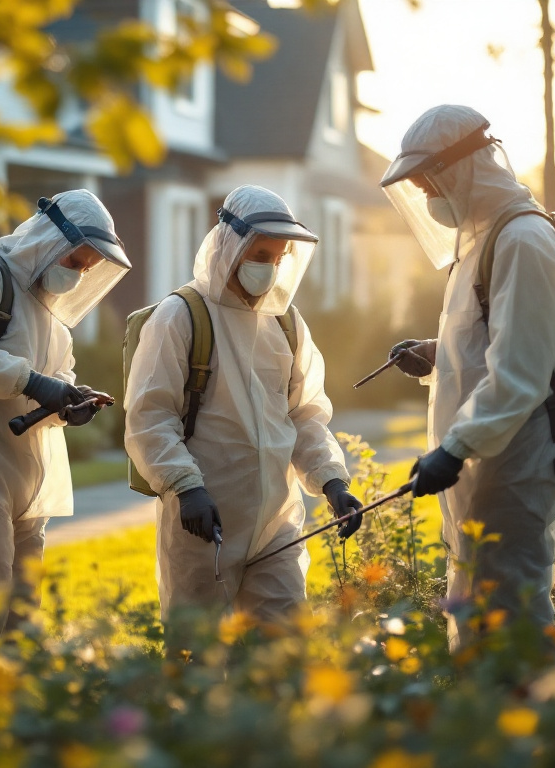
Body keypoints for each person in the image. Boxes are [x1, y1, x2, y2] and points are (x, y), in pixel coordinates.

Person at [125, 185, 360, 654]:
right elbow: (150, 416)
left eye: (278, 256)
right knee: (197, 660)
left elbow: (305, 414)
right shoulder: (181, 316)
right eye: (260, 255)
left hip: (276, 525)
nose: (269, 267)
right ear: (229, 246)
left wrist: (332, 481)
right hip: (202, 525)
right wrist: (185, 486)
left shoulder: (286, 324)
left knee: (281, 656)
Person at [379, 105, 555, 648]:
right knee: (477, 618)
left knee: (512, 622)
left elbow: (521, 371)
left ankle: (536, 707)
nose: (427, 199)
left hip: (516, 462)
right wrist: (435, 354)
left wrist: (454, 448)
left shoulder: (522, 240)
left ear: (460, 169)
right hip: (488, 466)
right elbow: (489, 343)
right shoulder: (483, 242)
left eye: (428, 184)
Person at [0, 190, 130, 633]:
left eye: (87, 268)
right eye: (75, 261)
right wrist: (34, 383)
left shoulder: (48, 306)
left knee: (22, 611)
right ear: (50, 239)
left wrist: (68, 403)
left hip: (25, 474)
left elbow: (56, 375)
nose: (78, 274)